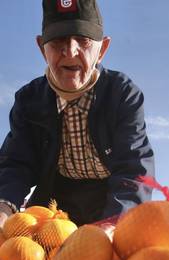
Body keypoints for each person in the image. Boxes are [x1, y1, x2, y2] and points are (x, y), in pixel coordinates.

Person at [0, 0, 154, 226]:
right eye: (57, 41)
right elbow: (16, 163)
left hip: (111, 198)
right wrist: (4, 206)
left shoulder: (122, 93)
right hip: (53, 203)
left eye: (83, 40)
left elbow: (133, 168)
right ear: (42, 48)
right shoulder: (28, 100)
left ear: (102, 49)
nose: (70, 52)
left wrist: (111, 227)